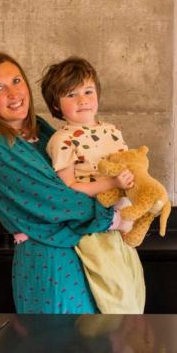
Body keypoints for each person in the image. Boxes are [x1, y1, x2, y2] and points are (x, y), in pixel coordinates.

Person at [0, 51, 123, 314]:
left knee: (95, 347)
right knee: (62, 347)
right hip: (50, 261)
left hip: (84, 250)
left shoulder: (40, 128)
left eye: (16, 81)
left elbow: (81, 174)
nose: (13, 94)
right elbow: (57, 200)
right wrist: (114, 219)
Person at [35, 56, 146, 314]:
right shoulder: (62, 140)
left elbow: (130, 168)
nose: (83, 100)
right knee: (113, 293)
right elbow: (70, 188)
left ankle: (131, 345)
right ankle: (115, 347)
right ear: (56, 104)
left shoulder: (112, 131)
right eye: (71, 94)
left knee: (133, 288)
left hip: (124, 223)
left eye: (88, 91)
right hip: (94, 224)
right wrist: (112, 182)